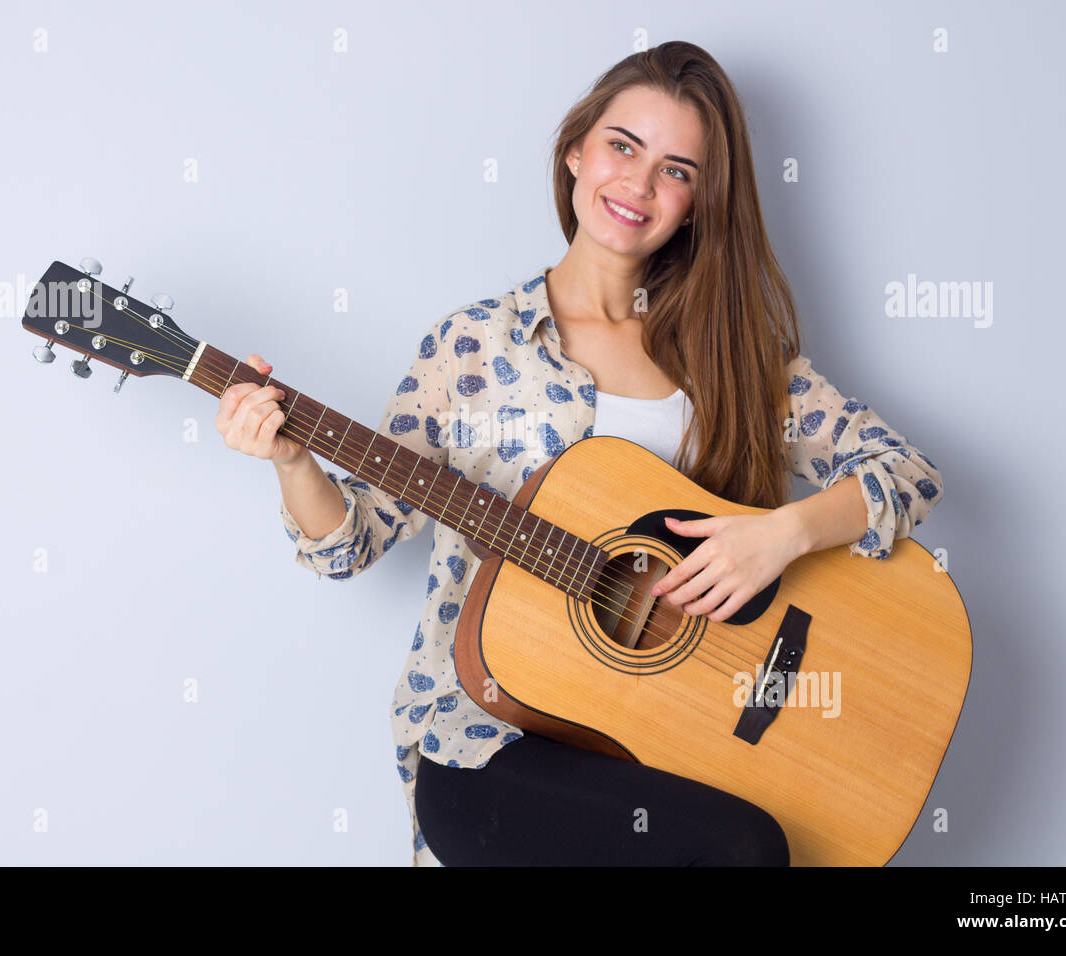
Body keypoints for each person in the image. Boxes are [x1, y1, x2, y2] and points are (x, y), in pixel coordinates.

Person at [214, 41, 944, 866]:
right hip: (487, 742)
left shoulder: (730, 354)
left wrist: (781, 534)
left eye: (676, 169)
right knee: (743, 849)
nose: (636, 185)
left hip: (659, 736)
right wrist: (290, 459)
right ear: (575, 152)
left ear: (700, 202)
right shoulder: (472, 345)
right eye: (622, 147)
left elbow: (904, 471)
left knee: (755, 841)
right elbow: (355, 541)